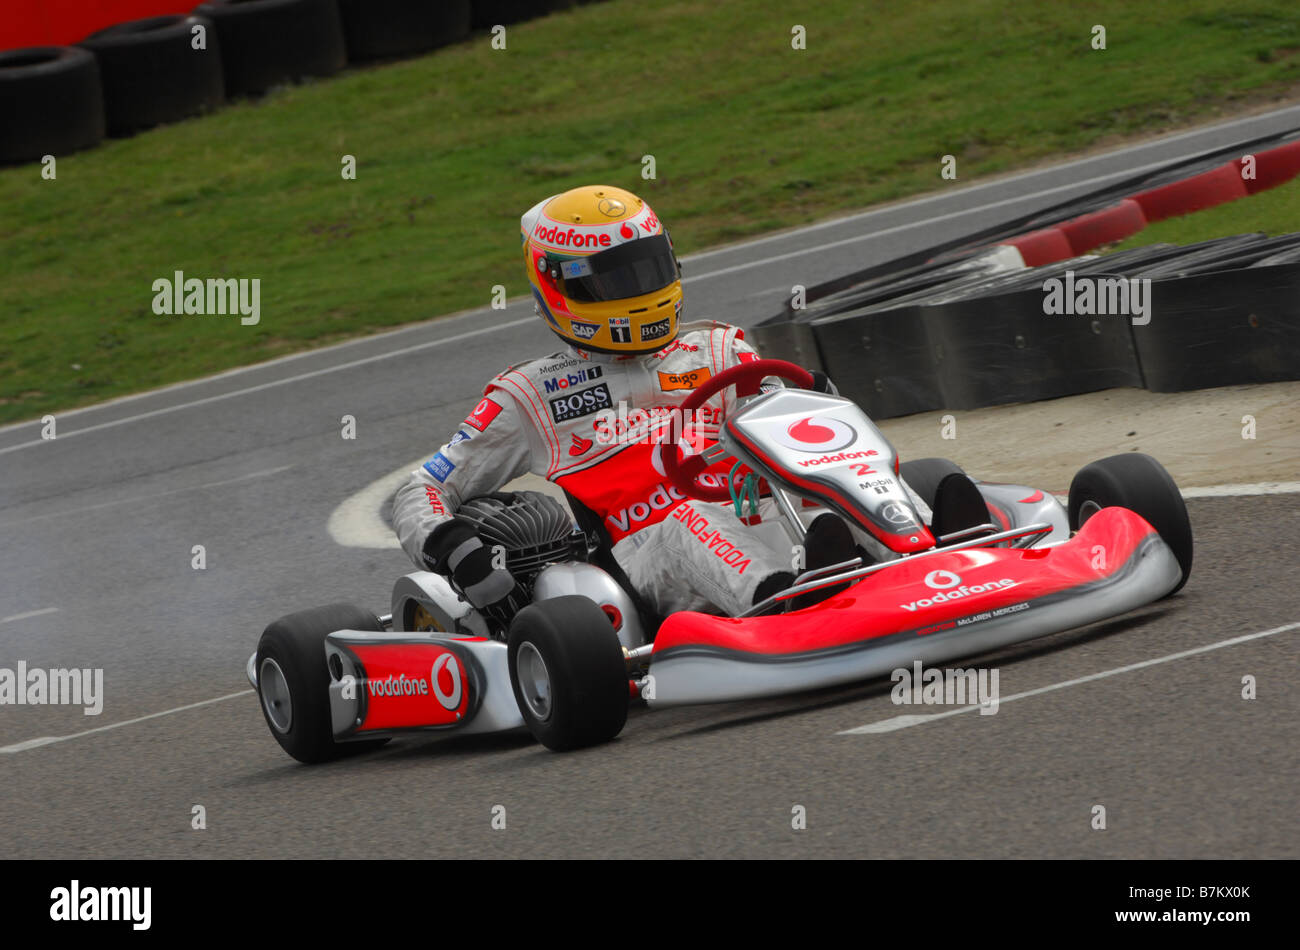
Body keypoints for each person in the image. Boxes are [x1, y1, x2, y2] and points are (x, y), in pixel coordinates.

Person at [393, 184, 868, 622]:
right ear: (560, 285)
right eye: (612, 282)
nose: (637, 292)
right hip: (647, 556)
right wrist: (454, 547)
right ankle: (787, 605)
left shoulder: (720, 351)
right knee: (692, 519)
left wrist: (812, 401)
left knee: (830, 492)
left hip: (757, 512)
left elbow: (795, 436)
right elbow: (422, 490)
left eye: (646, 270)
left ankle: (929, 546)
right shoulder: (531, 394)